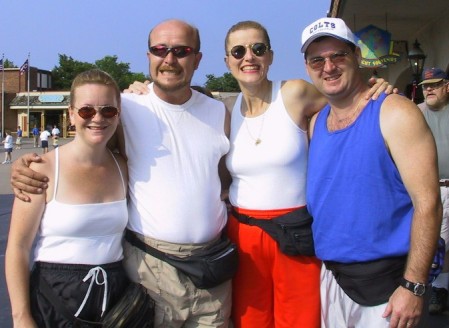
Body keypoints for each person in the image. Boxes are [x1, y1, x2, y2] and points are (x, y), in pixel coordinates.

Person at [125, 20, 393, 328]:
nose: (248, 57)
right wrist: (136, 89)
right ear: (227, 61)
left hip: (293, 234)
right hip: (243, 235)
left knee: (300, 321)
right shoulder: (224, 110)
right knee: (252, 321)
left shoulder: (294, 93)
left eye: (257, 49)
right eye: (238, 51)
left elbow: (345, 104)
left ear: (270, 56)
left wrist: (373, 87)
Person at [11, 19, 233, 328]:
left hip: (211, 271)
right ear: (148, 57)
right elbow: (90, 137)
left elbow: (227, 174)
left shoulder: (218, 112)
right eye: (160, 50)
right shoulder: (129, 105)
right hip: (152, 271)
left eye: (181, 51)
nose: (169, 59)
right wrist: (26, 167)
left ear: (197, 59)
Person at [303, 17, 442, 328]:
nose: (328, 67)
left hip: (389, 287)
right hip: (334, 281)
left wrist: (414, 286)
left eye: (338, 55)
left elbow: (428, 203)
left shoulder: (394, 111)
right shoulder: (315, 123)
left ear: (356, 56)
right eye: (317, 60)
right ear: (307, 67)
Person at [5, 69, 130, 327]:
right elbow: (18, 247)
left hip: (114, 295)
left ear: (118, 114)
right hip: (55, 294)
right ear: (71, 114)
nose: (97, 118)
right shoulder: (42, 169)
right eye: (86, 111)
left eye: (108, 110)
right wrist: (21, 317)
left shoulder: (124, 166)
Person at [417, 67, 449, 315]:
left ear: (446, 87)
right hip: (434, 190)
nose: (429, 89)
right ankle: (440, 290)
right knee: (442, 245)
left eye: (435, 85)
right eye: (426, 85)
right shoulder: (415, 113)